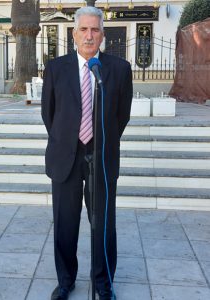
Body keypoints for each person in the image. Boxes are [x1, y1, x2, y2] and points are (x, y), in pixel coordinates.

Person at [41, 6, 133, 300]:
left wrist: (101, 142)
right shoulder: (56, 68)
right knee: (65, 223)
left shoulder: (119, 69)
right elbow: (49, 114)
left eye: (95, 30)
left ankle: (103, 283)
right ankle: (66, 280)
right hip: (65, 157)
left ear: (103, 35)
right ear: (74, 34)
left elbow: (122, 115)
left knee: (103, 225)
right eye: (84, 29)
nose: (89, 35)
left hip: (102, 159)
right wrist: (68, 140)